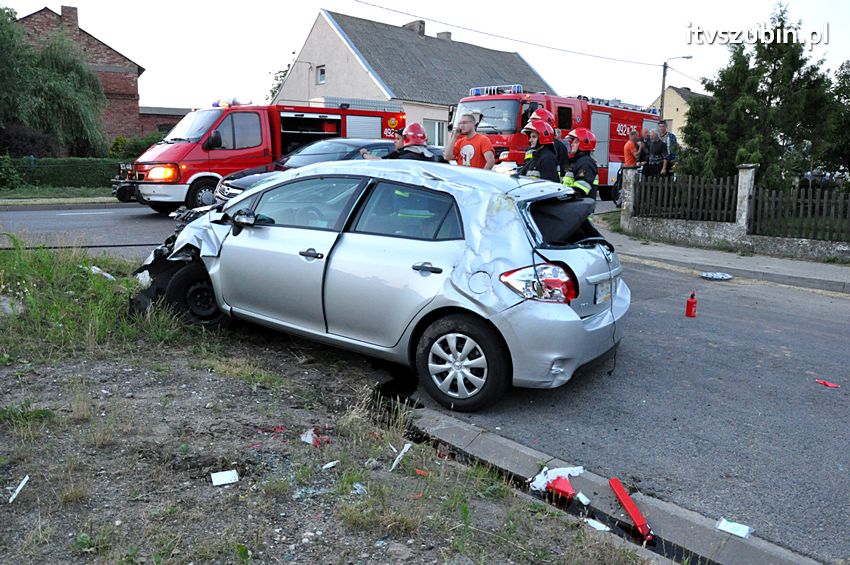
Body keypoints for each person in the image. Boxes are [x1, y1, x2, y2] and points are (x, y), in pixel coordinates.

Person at [360, 123, 440, 161]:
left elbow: (379, 161)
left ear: (406, 139)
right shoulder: (431, 157)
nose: (395, 141)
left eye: (398, 139)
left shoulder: (400, 156)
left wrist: (364, 154)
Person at [526, 108, 569, 177]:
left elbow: (564, 170)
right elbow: (526, 165)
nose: (532, 126)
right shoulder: (533, 147)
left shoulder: (559, 147)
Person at [563, 128, 598, 198]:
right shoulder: (578, 161)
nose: (572, 144)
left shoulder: (585, 163)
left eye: (575, 142)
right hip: (573, 203)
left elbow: (581, 190)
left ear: (584, 143)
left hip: (580, 203)